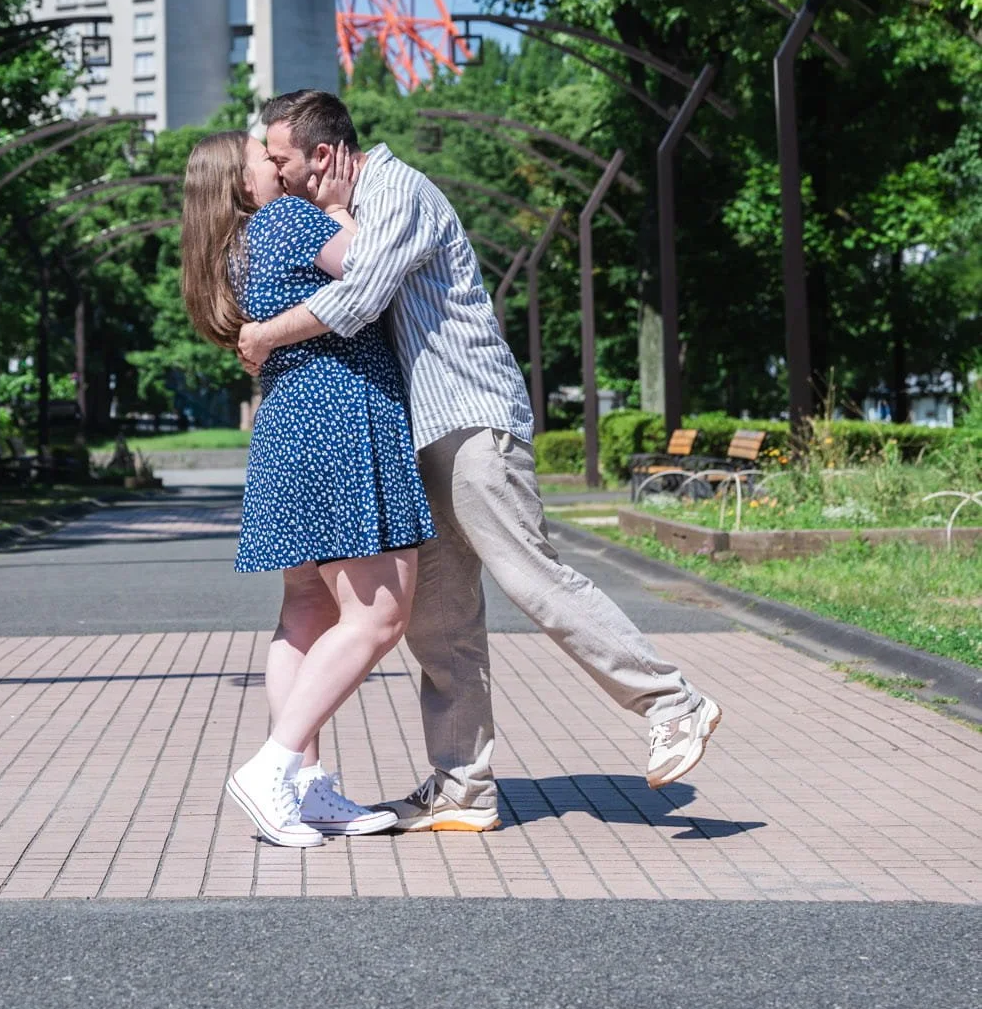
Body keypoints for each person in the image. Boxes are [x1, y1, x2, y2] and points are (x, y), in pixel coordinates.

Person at [236, 90, 723, 832]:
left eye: (282, 159)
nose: (278, 173)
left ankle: (672, 703)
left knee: (533, 576)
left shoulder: (399, 191)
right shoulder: (347, 211)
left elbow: (360, 297)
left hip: (468, 420)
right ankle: (462, 785)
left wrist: (267, 335)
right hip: (416, 433)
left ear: (325, 154)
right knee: (439, 619)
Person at [179, 129, 435, 848]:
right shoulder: (287, 220)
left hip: (289, 426)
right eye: (266, 154)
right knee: (379, 617)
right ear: (243, 179)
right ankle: (275, 766)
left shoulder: (228, 252)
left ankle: (305, 787)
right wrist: (347, 207)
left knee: (304, 611)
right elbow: (369, 268)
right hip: (340, 419)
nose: (280, 160)